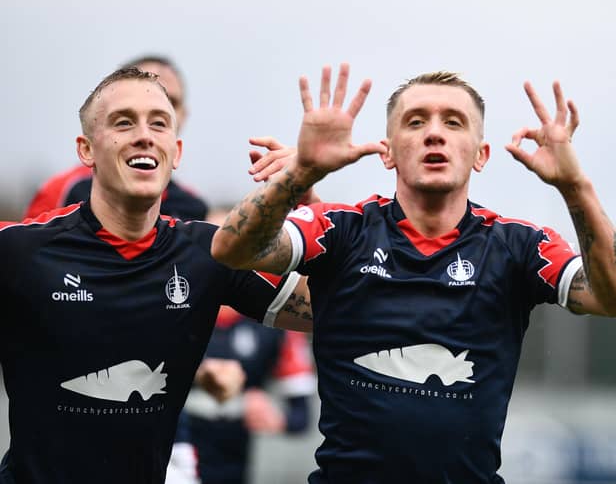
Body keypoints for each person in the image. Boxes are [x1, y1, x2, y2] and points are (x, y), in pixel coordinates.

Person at [210, 63, 616, 483]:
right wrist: (302, 172)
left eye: (454, 122)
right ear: (387, 151)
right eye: (416, 121)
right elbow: (231, 250)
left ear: (481, 155)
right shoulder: (341, 228)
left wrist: (575, 187)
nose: (434, 133)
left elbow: (610, 298)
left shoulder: (521, 246)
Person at [0, 67, 312, 484]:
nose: (144, 134)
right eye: (123, 121)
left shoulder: (210, 252)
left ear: (176, 151)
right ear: (86, 149)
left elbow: (338, 309)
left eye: (159, 123)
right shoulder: (21, 250)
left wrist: (309, 195)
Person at [172, 208, 315, 484]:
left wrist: (273, 415)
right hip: (167, 460)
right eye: (211, 243)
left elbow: (301, 416)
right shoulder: (170, 305)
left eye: (233, 245)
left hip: (233, 468)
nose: (221, 254)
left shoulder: (277, 322)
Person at [23, 55, 209, 221]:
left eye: (170, 102)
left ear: (183, 115)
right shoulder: (63, 190)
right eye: (126, 120)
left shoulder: (194, 206)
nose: (144, 133)